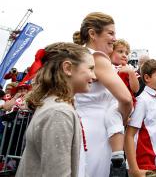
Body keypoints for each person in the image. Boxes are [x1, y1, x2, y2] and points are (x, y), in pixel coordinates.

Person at [16, 42, 96, 177]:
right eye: (90, 68)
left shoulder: (53, 105)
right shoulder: (59, 113)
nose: (94, 76)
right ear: (68, 68)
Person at [73, 12, 133, 177]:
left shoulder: (78, 56)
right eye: (110, 33)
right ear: (93, 34)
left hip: (81, 125)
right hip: (98, 129)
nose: (114, 38)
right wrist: (122, 118)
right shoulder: (97, 59)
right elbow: (126, 99)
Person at [125, 59, 156, 177]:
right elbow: (129, 135)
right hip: (142, 165)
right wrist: (134, 169)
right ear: (147, 78)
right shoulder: (142, 101)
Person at [108, 39, 139, 167]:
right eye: (120, 51)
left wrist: (131, 73)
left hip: (124, 103)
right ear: (111, 52)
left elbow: (135, 89)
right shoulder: (107, 67)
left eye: (127, 52)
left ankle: (118, 151)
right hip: (110, 102)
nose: (124, 55)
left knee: (114, 115)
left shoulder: (128, 69)